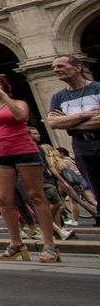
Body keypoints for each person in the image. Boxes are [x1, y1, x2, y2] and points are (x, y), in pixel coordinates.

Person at [0, 75, 59, 262]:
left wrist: (3, 96)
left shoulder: (19, 102)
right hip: (0, 155)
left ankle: (49, 245)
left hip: (25, 152)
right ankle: (16, 243)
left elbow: (20, 116)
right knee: (3, 199)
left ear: (5, 86)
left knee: (36, 196)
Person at [46, 55, 100, 227]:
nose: (56, 70)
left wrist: (70, 121)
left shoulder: (97, 88)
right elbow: (53, 122)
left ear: (78, 68)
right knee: (96, 188)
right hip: (81, 145)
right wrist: (87, 115)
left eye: (61, 66)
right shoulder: (58, 97)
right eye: (53, 67)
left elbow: (62, 122)